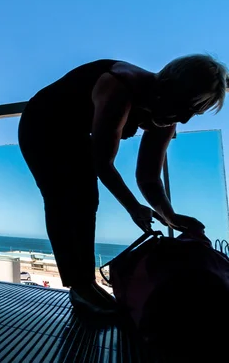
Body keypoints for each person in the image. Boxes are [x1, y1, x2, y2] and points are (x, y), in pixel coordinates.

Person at [17, 54, 227, 316]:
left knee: (83, 199)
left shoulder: (168, 115)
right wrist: (133, 208)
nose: (184, 119)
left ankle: (84, 284)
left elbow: (149, 177)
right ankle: (81, 285)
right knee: (67, 197)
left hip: (77, 130)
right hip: (43, 122)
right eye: (186, 105)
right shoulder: (119, 86)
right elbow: (102, 163)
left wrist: (169, 216)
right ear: (168, 86)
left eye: (193, 112)